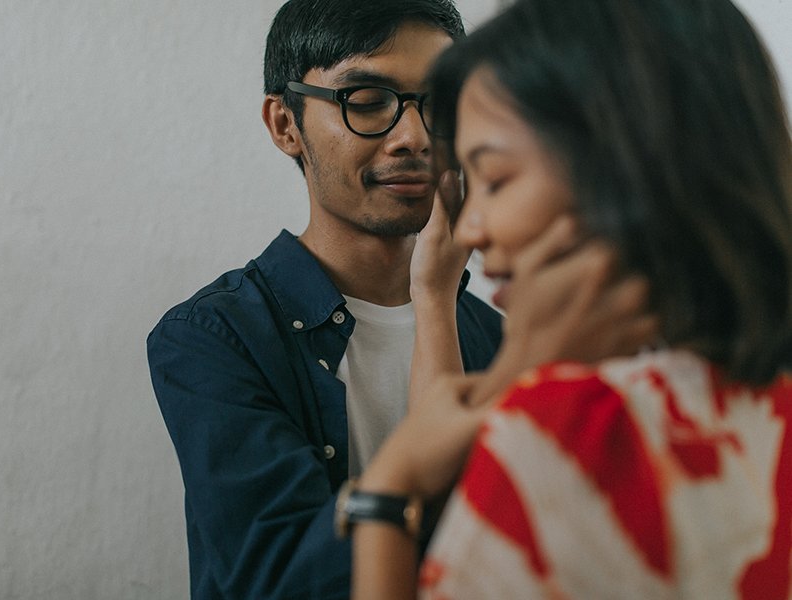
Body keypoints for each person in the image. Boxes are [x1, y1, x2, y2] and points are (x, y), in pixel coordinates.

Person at [148, 0, 653, 598]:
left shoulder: (496, 336)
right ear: (286, 125)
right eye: (366, 102)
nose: (413, 137)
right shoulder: (213, 337)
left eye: (440, 104)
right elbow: (278, 578)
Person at [348, 0, 792, 598]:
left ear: (625, 164)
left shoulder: (575, 431)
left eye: (497, 179)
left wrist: (387, 490)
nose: (471, 227)